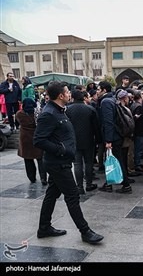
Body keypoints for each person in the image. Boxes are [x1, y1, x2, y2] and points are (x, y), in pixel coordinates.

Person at [33, 81, 103, 244]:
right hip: (57, 162)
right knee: (72, 195)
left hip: (61, 161)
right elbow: (38, 140)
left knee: (52, 194)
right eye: (67, 92)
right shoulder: (49, 113)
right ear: (60, 95)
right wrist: (61, 149)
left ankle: (44, 227)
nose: (70, 94)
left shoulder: (59, 111)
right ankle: (85, 231)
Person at [16, 98, 47, 185]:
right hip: (36, 137)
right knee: (40, 159)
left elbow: (18, 122)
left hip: (25, 139)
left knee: (28, 159)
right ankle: (43, 178)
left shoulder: (19, 114)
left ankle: (32, 178)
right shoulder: (37, 113)